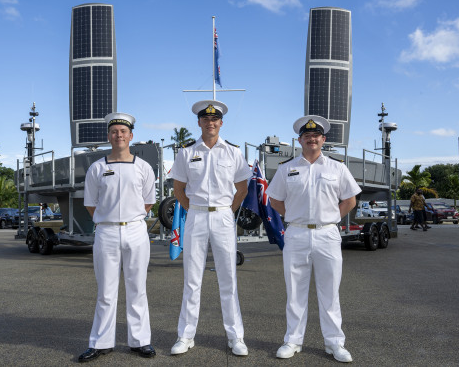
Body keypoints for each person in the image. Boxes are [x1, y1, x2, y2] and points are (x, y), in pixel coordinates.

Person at [266, 115, 361, 363]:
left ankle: (334, 343)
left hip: (327, 234)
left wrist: (330, 218)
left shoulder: (337, 167)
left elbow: (350, 200)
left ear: (323, 139)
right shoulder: (287, 169)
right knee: (295, 292)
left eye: (316, 136)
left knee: (330, 292)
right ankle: (293, 340)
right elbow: (274, 200)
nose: (312, 139)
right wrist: (295, 216)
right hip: (296, 233)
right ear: (300, 140)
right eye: (307, 136)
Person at [169, 100, 252, 357]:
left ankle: (235, 336)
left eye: (215, 119)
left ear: (221, 123)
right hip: (196, 217)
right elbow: (178, 189)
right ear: (199, 123)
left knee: (228, 279)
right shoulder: (186, 152)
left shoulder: (233, 152)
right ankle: (186, 335)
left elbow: (242, 188)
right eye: (206, 119)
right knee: (192, 279)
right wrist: (192, 207)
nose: (210, 123)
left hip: (223, 217)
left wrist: (228, 210)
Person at [79, 112, 157, 362]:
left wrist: (130, 219)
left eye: (123, 131)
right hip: (107, 231)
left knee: (137, 288)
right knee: (106, 291)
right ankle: (101, 342)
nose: (119, 135)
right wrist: (110, 218)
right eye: (114, 131)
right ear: (108, 136)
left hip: (135, 230)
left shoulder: (143, 167)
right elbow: (91, 204)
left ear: (131, 136)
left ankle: (140, 340)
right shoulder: (97, 168)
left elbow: (148, 203)